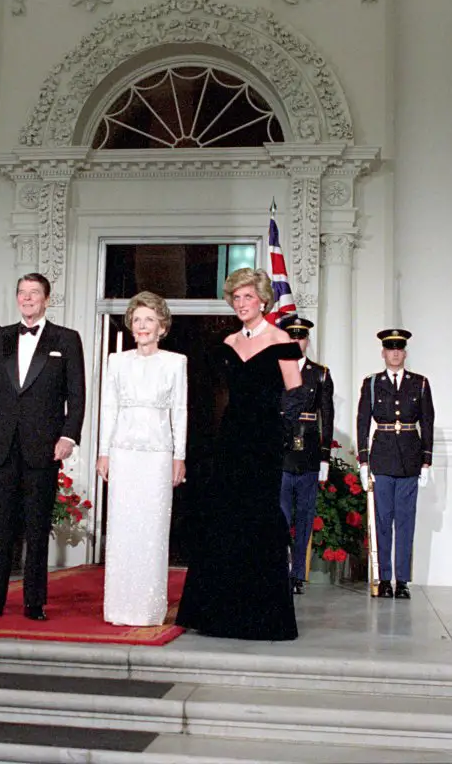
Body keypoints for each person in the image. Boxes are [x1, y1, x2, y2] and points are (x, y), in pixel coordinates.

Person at [175, 268, 306, 641]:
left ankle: (261, 617)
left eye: (248, 297)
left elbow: (296, 393)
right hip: (229, 439)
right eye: (236, 297)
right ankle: (218, 614)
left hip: (264, 442)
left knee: (260, 520)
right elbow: (213, 395)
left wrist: (281, 430)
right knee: (224, 519)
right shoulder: (227, 341)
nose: (242, 303)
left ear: (263, 300)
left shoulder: (281, 339)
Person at [0, 273, 86, 622]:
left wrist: (69, 436)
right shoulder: (0, 338)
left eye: (34, 293)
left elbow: (76, 396)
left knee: (37, 527)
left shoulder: (66, 339)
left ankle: (34, 603)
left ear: (46, 299)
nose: (27, 298)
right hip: (1, 446)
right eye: (22, 292)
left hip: (43, 447)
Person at [96, 292, 188, 626]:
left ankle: (148, 609)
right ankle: (119, 607)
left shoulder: (176, 362)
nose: (142, 326)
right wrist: (103, 452)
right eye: (137, 320)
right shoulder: (116, 361)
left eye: (149, 320)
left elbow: (180, 410)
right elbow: (109, 408)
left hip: (158, 455)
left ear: (162, 326)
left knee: (152, 529)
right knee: (121, 528)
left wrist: (180, 456)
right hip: (123, 452)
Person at [356, 329, 435, 599]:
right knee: (382, 521)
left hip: (410, 460)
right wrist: (364, 460)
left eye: (399, 349)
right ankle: (384, 579)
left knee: (405, 522)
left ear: (405, 352)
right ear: (383, 353)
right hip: (382, 458)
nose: (395, 353)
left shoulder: (420, 384)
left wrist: (426, 462)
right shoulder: (372, 383)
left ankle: (402, 581)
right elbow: (363, 421)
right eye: (390, 349)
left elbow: (428, 423)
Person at [277, 315, 334, 595]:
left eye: (301, 337)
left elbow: (327, 416)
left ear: (307, 341)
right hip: (283, 453)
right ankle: (281, 570)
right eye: (292, 337)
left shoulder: (320, 373)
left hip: (309, 453)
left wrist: (324, 457)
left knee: (304, 516)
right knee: (281, 517)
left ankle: (298, 573)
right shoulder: (275, 370)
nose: (297, 341)